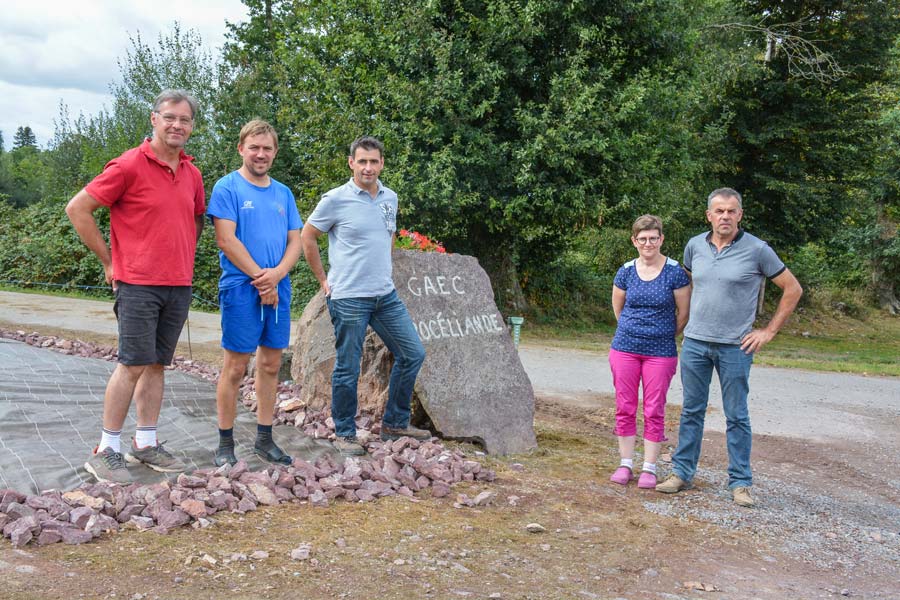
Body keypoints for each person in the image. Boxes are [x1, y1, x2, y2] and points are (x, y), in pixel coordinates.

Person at [65, 89, 206, 483]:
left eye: (185, 120)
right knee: (132, 364)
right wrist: (110, 261)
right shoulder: (128, 165)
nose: (177, 125)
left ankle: (145, 442)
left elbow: (195, 218)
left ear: (191, 126)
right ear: (154, 119)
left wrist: (180, 253)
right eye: (170, 118)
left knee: (157, 364)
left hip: (178, 283)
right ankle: (106, 449)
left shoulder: (192, 173)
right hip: (138, 283)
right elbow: (78, 208)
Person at [656, 188, 802, 507]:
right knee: (691, 411)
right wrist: (679, 325)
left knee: (736, 415)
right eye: (719, 211)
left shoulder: (758, 250)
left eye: (731, 211)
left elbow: (793, 289)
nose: (725, 216)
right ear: (709, 215)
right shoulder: (694, 246)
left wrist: (768, 331)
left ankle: (740, 483)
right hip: (695, 342)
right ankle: (681, 473)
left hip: (736, 347)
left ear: (740, 215)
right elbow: (689, 287)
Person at [300, 135, 429, 456]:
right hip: (348, 298)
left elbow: (387, 237)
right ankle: (344, 432)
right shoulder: (335, 199)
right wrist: (323, 281)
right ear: (351, 163)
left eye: (374, 161)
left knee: (412, 353)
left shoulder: (390, 198)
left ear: (382, 163)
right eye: (362, 161)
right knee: (348, 366)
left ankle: (395, 423)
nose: (368, 167)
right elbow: (308, 235)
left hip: (384, 295)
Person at [207, 120, 303, 467]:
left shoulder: (283, 193)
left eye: (267, 149)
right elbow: (226, 240)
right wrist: (262, 280)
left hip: (279, 285)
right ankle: (225, 443)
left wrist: (276, 276)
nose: (260, 154)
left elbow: (296, 241)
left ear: (275, 152)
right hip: (240, 287)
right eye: (254, 147)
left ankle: (265, 439)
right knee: (235, 367)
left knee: (271, 363)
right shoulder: (227, 188)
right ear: (241, 148)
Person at [608, 215, 691, 489]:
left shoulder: (675, 272)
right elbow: (618, 308)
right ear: (634, 241)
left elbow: (683, 314)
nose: (648, 243)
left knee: (654, 409)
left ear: (661, 239)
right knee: (625, 406)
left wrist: (662, 332)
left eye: (653, 238)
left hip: (661, 352)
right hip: (625, 349)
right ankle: (625, 463)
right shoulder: (626, 271)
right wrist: (633, 331)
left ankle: (649, 467)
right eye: (642, 238)